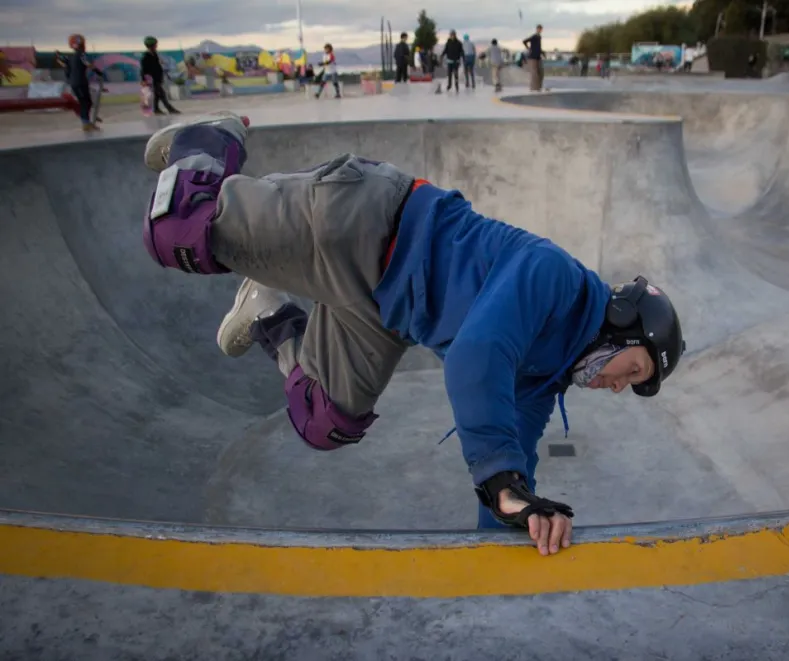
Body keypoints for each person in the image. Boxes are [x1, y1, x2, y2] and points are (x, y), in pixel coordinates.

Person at [140, 111, 686, 556]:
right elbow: (477, 355)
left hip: (382, 310)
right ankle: (209, 138)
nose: (620, 387)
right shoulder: (554, 277)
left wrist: (512, 519)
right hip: (366, 221)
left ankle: (268, 312)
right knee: (177, 231)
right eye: (634, 369)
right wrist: (500, 482)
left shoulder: (548, 375)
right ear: (622, 323)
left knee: (325, 423)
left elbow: (513, 454)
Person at [55, 34, 104, 131]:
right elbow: (88, 63)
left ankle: (87, 120)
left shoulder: (71, 57)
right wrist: (98, 72)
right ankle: (86, 122)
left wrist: (59, 56)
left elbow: (65, 66)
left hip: (73, 83)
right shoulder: (82, 54)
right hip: (81, 82)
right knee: (86, 102)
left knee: (84, 102)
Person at [140, 36, 181, 116]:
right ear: (151, 46)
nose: (156, 46)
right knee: (161, 94)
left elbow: (157, 66)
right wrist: (144, 80)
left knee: (158, 94)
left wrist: (163, 71)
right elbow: (144, 70)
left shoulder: (154, 54)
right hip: (151, 79)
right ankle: (170, 109)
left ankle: (156, 109)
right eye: (155, 44)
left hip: (158, 78)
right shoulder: (146, 57)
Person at [522, 24, 545, 91]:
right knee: (534, 73)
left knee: (541, 72)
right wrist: (528, 48)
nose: (540, 30)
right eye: (539, 29)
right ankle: (534, 88)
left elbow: (538, 47)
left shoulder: (539, 37)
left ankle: (539, 87)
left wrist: (542, 52)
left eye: (541, 29)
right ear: (537, 29)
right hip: (532, 57)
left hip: (538, 57)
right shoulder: (534, 36)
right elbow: (524, 41)